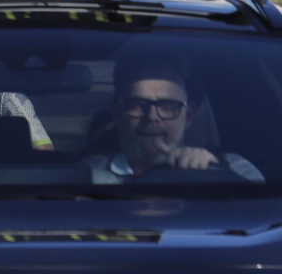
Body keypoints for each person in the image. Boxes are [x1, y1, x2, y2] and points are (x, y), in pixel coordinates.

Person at [84, 58, 263, 184]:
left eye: (168, 106)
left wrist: (214, 172)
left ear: (190, 115)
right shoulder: (85, 176)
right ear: (116, 113)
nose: (152, 117)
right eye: (138, 104)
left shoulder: (234, 168)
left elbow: (260, 217)